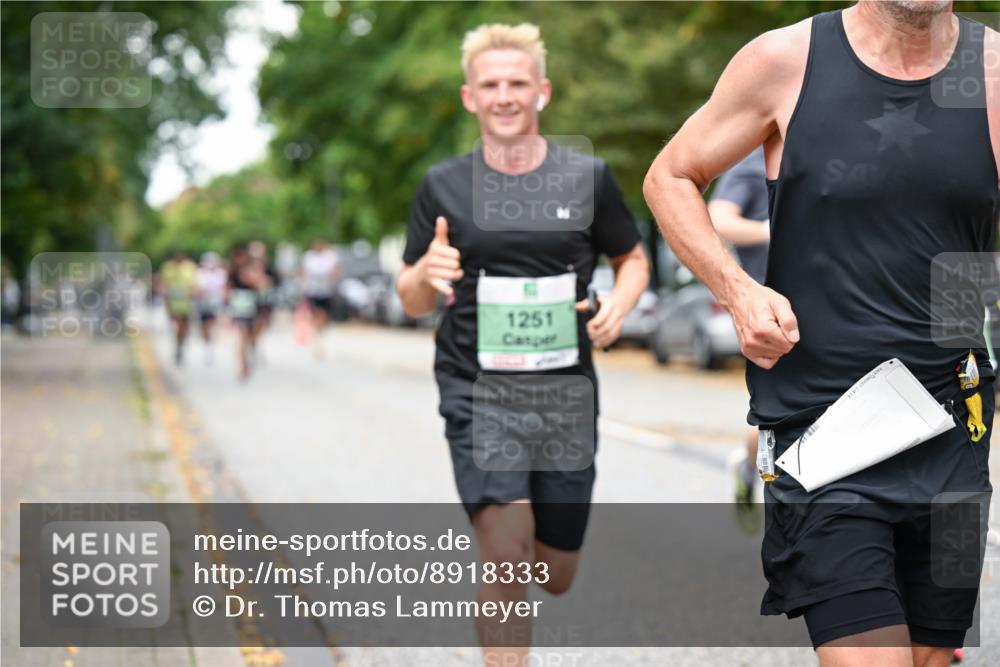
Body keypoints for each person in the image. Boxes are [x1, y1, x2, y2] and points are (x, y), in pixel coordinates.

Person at [644, 1, 998, 664]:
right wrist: (738, 290)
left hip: (956, 429)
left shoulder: (993, 70)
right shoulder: (786, 62)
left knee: (930, 656)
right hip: (826, 433)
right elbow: (670, 176)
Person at [397, 22, 649, 664]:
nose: (504, 95)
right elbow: (411, 296)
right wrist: (427, 274)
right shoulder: (443, 186)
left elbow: (632, 258)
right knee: (506, 548)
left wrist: (618, 306)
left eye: (516, 83)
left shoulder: (587, 177)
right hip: (477, 390)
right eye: (490, 85)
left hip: (565, 394)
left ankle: (541, 551)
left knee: (553, 573)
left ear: (542, 91)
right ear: (468, 97)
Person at [707, 147, 770, 523]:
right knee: (777, 421)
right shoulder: (754, 162)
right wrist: (769, 228)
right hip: (774, 315)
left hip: (844, 308)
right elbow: (718, 218)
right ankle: (750, 467)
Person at [228, 244, 265, 381]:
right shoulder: (231, 272)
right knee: (242, 337)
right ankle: (242, 365)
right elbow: (228, 289)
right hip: (239, 308)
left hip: (253, 308)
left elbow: (262, 284)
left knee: (251, 336)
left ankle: (251, 356)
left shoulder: (253, 270)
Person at [300, 239, 340, 358]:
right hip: (312, 292)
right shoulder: (308, 257)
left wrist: (333, 281)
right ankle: (317, 335)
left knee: (323, 315)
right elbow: (303, 272)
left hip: (326, 292)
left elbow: (335, 271)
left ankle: (319, 332)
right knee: (315, 314)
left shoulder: (330, 257)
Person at [159, 251, 198, 366]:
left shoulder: (190, 267)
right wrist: (165, 293)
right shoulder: (168, 267)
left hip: (186, 304)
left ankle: (180, 345)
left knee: (183, 327)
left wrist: (192, 292)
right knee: (177, 325)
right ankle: (178, 345)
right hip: (173, 303)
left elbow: (194, 285)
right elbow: (163, 283)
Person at [195, 251, 228, 364]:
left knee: (212, 324)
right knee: (204, 327)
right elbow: (197, 289)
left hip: (215, 304)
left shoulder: (221, 273)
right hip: (202, 303)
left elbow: (224, 289)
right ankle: (207, 344)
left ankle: (210, 346)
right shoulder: (199, 273)